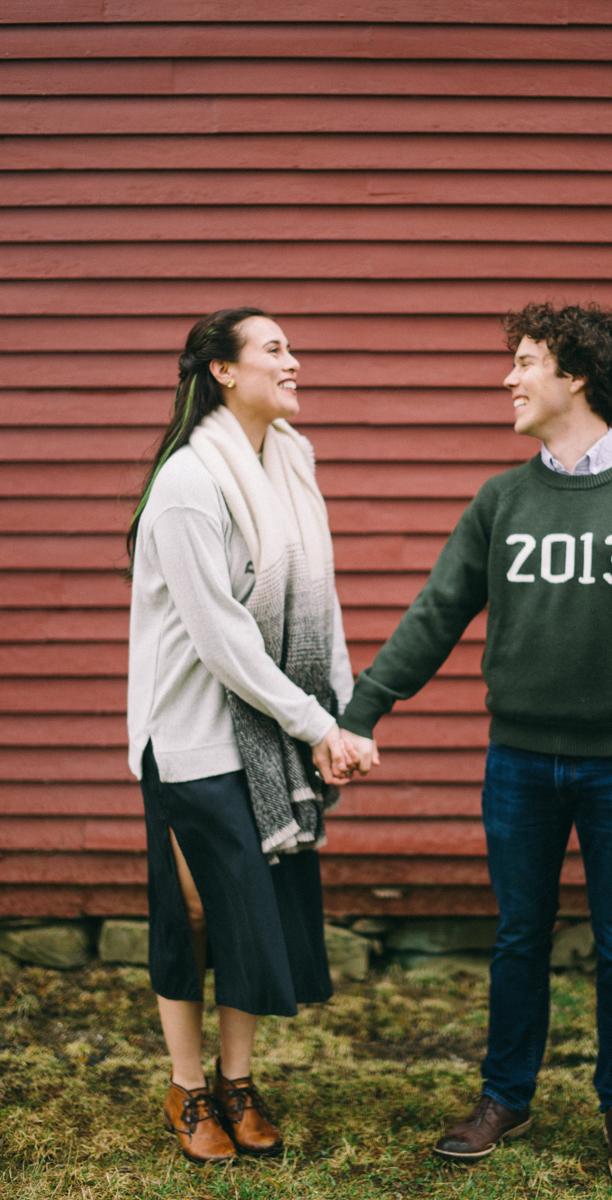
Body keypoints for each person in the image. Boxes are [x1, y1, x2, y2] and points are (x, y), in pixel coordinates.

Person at [339, 302, 612, 1188]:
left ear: (576, 376)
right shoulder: (503, 499)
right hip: (517, 760)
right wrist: (363, 710)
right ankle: (505, 1096)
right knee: (520, 934)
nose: (509, 380)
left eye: (525, 363)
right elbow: (438, 613)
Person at [127, 307, 372, 1164]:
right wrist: (310, 720)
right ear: (224, 372)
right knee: (194, 916)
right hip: (192, 735)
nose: (294, 361)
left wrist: (335, 719)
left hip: (267, 734)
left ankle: (238, 1083)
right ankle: (188, 1091)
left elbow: (319, 600)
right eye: (276, 349)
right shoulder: (190, 484)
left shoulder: (292, 462)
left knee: (251, 913)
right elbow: (222, 638)